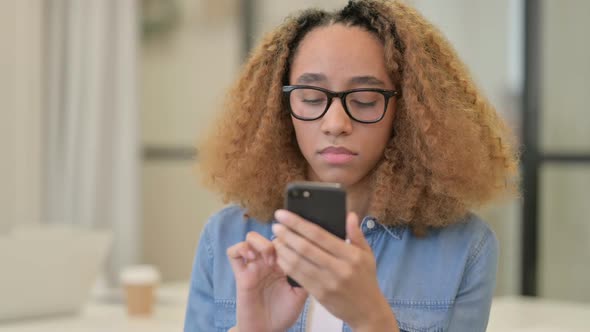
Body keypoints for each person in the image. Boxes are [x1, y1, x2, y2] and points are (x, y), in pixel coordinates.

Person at [184, 0, 518, 331]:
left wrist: (372, 318)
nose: (335, 123)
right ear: (280, 109)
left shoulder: (465, 248)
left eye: (364, 100)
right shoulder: (225, 237)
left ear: (406, 113)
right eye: (312, 97)